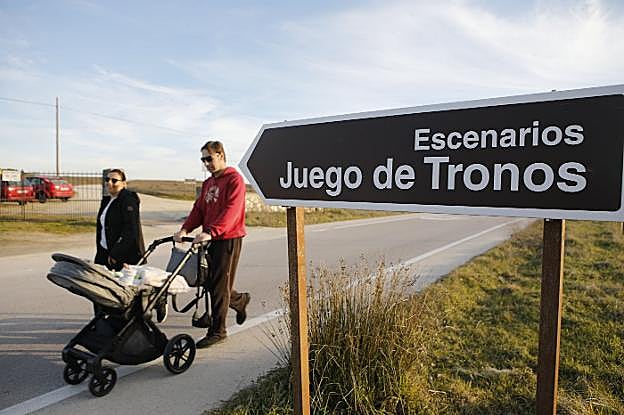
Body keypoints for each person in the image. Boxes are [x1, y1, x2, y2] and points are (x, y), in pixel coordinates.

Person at [174, 140, 250, 348]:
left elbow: (232, 211)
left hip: (228, 239)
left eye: (209, 158)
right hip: (209, 238)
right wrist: (185, 230)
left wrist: (211, 232)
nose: (206, 163)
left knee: (219, 286)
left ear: (221, 155)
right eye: (203, 160)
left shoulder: (234, 179)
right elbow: (199, 209)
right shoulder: (208, 183)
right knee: (210, 281)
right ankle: (239, 300)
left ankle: (218, 331)